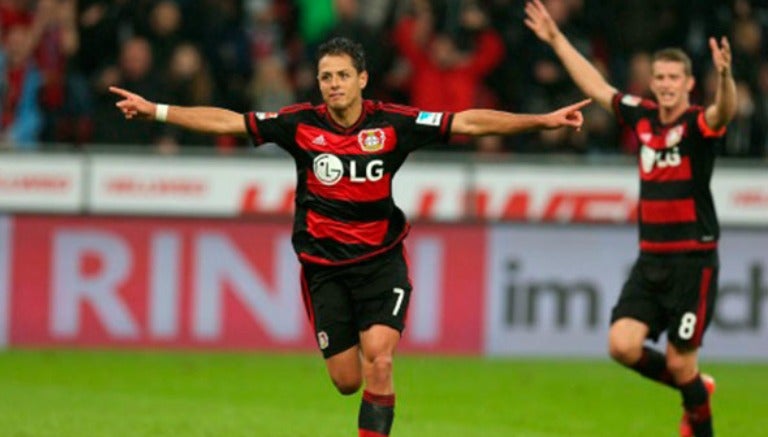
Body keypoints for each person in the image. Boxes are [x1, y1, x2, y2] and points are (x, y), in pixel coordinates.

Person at [110, 36, 589, 437]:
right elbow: (231, 122)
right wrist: (158, 111)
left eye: (342, 75)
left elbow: (467, 121)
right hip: (324, 270)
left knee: (380, 362)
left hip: (381, 262)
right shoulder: (300, 124)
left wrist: (541, 120)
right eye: (325, 77)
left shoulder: (394, 124)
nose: (333, 84)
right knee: (346, 381)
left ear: (362, 79)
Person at [523, 1, 737, 437]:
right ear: (652, 82)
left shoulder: (698, 125)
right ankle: (695, 387)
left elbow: (724, 113)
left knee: (680, 361)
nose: (665, 85)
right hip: (650, 260)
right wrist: (555, 39)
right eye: (659, 77)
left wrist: (727, 77)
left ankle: (698, 411)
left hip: (692, 262)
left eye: (674, 78)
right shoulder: (641, 117)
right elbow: (597, 87)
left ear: (690, 84)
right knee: (621, 345)